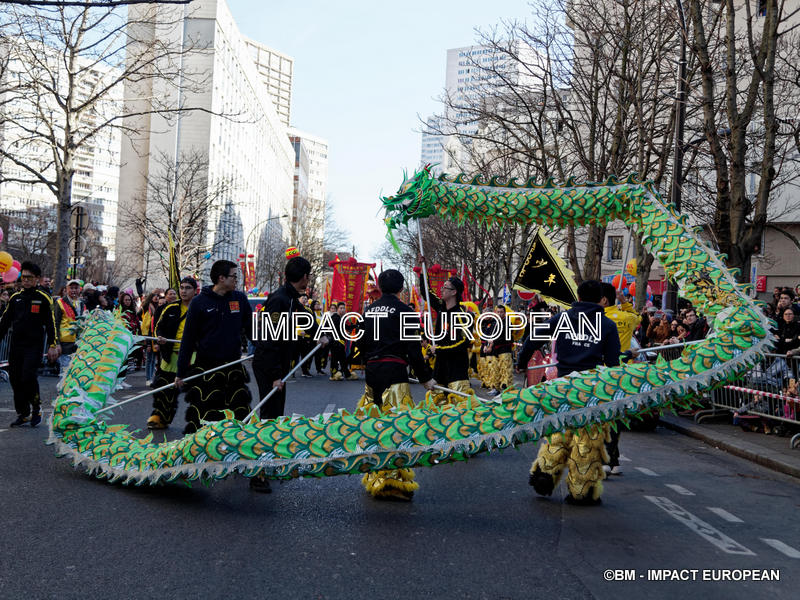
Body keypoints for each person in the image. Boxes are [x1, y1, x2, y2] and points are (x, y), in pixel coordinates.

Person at [516, 280, 621, 505]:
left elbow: (534, 337)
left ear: (579, 296)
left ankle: (545, 472)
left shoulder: (562, 319)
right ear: (601, 299)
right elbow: (613, 364)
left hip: (563, 384)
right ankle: (580, 491)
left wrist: (522, 360)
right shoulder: (607, 325)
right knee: (586, 439)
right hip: (591, 388)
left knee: (559, 431)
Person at [354, 269, 436, 500]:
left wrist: (370, 358)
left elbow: (360, 342)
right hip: (395, 373)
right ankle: (394, 481)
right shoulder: (405, 312)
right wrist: (425, 377)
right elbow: (413, 350)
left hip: (373, 372)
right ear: (401, 289)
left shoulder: (368, 311)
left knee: (374, 422)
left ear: (380, 286)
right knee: (397, 424)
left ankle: (376, 477)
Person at [251, 257, 325, 492]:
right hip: (268, 365)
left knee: (276, 417)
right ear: (303, 277)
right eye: (308, 275)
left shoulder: (292, 299)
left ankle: (268, 462)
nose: (309, 280)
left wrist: (320, 335)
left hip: (280, 366)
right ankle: (257, 473)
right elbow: (269, 338)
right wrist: (274, 375)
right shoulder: (279, 300)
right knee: (268, 417)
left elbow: (306, 320)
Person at [175, 260, 252, 435]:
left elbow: (252, 331)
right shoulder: (200, 302)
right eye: (234, 276)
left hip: (232, 368)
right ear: (221, 278)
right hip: (207, 368)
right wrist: (181, 373)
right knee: (206, 415)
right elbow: (188, 339)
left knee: (237, 414)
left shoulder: (239, 299)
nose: (236, 280)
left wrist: (266, 349)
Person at [0, 262, 60, 427]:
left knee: (28, 376)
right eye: (23, 277)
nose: (25, 280)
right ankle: (23, 413)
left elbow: (51, 323)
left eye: (29, 277)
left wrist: (53, 344)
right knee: (15, 380)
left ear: (37, 279)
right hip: (16, 346)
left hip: (34, 346)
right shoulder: (15, 298)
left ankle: (36, 407)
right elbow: (4, 322)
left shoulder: (43, 297)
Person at [599, 282, 642, 476]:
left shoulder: (598, 319)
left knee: (603, 417)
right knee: (615, 417)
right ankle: (614, 460)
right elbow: (637, 318)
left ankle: (607, 458)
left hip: (603, 371)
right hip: (623, 373)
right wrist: (624, 302)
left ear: (603, 299)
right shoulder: (627, 317)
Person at [147, 277, 197, 430]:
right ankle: (160, 417)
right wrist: (159, 338)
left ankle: (198, 423)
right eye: (181, 287)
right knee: (163, 388)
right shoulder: (170, 308)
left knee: (198, 391)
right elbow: (158, 327)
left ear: (195, 291)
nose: (183, 291)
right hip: (170, 355)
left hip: (194, 356)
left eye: (188, 288)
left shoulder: (200, 307)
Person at [418, 272, 472, 403]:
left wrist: (439, 349)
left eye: (445, 287)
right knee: (437, 407)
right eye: (442, 287)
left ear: (454, 292)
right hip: (440, 367)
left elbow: (464, 343)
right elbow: (427, 292)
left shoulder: (463, 315)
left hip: (457, 367)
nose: (442, 290)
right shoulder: (441, 306)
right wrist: (422, 273)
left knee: (459, 409)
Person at [53, 279, 85, 370]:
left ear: (80, 289)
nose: (74, 290)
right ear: (66, 289)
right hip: (65, 343)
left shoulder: (82, 303)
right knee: (65, 372)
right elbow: (56, 323)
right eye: (71, 288)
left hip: (78, 343)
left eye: (76, 288)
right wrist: (57, 343)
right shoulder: (60, 303)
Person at [485, 304, 514, 395]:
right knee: (494, 369)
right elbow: (489, 336)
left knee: (505, 369)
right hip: (494, 350)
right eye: (498, 312)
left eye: (501, 312)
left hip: (504, 349)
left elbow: (506, 337)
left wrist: (494, 341)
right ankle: (495, 388)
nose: (500, 314)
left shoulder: (508, 323)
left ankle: (506, 389)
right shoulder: (494, 323)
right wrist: (487, 345)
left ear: (504, 313)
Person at [329, 302, 356, 381]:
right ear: (337, 309)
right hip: (335, 341)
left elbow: (346, 327)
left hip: (340, 342)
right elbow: (342, 328)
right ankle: (334, 374)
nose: (342, 310)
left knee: (342, 359)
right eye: (341, 308)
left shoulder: (341, 318)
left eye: (344, 308)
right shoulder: (335, 317)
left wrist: (355, 325)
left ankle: (346, 374)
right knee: (335, 358)